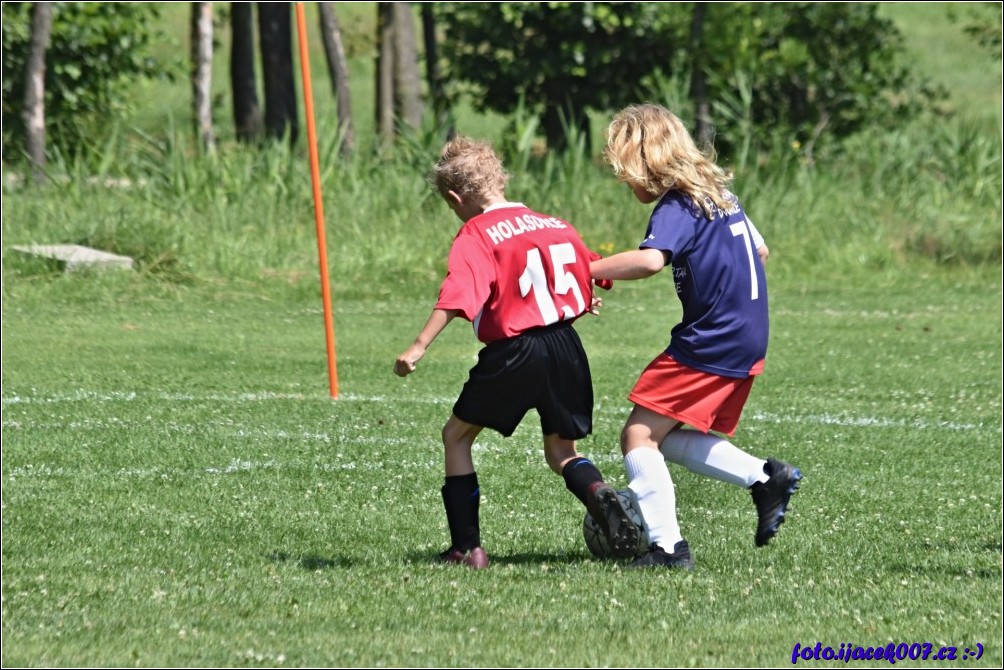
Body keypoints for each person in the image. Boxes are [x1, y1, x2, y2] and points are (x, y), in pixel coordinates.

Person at [394, 135, 640, 569]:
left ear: (456, 197)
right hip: (567, 345)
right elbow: (582, 269)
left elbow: (458, 294)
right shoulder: (553, 224)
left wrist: (418, 346)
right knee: (562, 451)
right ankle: (599, 493)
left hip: (515, 351)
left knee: (456, 436)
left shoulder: (477, 232)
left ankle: (467, 548)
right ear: (500, 180)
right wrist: (582, 298)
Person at [590, 103, 802, 570]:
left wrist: (584, 270)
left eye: (626, 172)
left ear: (645, 160)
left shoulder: (678, 203)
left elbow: (649, 261)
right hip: (746, 333)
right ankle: (765, 479)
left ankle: (668, 549)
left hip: (711, 337)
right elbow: (760, 251)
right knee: (662, 435)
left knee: (638, 435)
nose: (626, 184)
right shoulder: (718, 192)